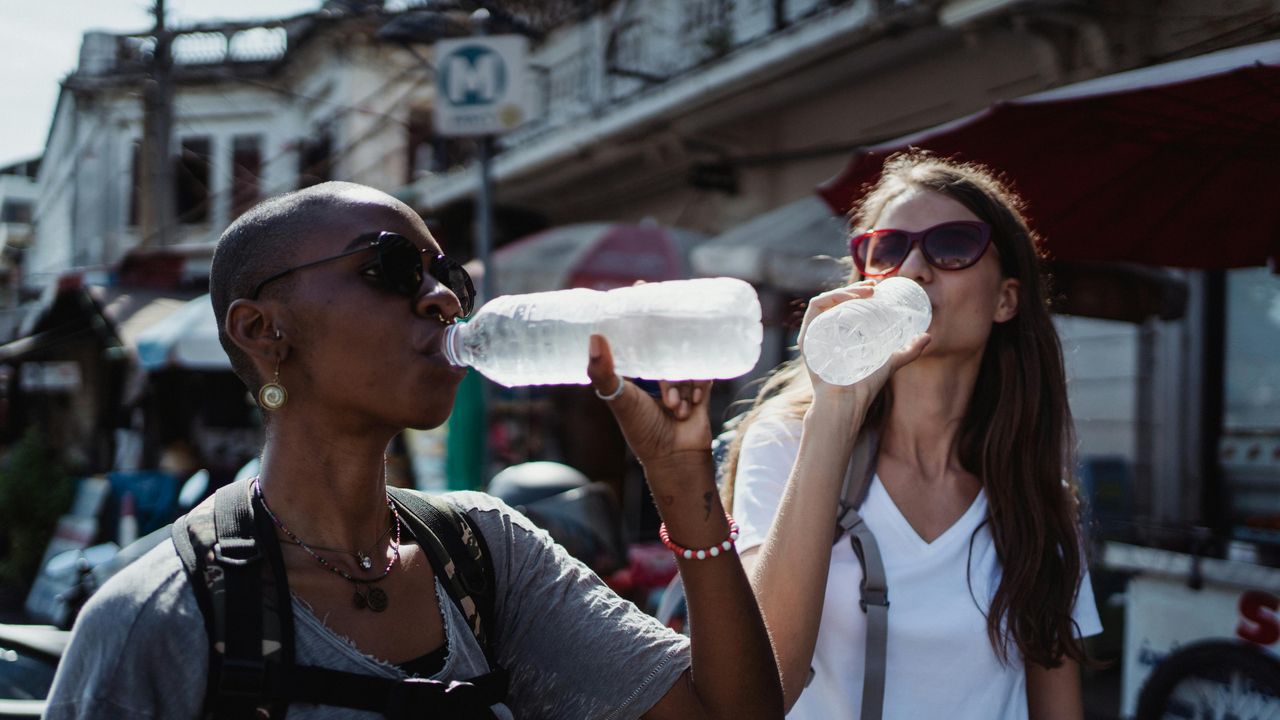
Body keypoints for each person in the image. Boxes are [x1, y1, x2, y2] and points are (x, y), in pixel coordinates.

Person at [45, 182, 783, 719]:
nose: (441, 299)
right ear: (261, 330)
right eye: (391, 270)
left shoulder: (488, 555)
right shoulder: (162, 616)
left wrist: (683, 486)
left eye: (446, 276)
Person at [723, 151, 1102, 719]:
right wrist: (834, 412)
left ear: (1006, 300)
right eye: (889, 249)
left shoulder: (1033, 491)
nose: (914, 270)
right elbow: (761, 680)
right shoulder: (784, 442)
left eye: (952, 245)